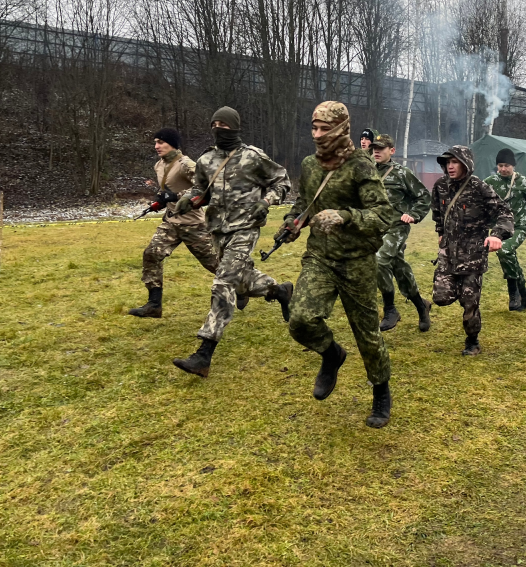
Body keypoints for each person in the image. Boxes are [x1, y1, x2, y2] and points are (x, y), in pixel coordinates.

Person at [278, 102, 397, 428]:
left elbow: (384, 215)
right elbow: (304, 204)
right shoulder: (309, 165)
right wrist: (292, 223)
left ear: (341, 129)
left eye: (324, 129)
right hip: (320, 256)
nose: (317, 135)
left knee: (367, 335)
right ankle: (331, 354)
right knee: (300, 320)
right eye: (314, 128)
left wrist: (344, 217)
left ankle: (381, 391)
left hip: (357, 261)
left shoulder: (361, 165)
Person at [169, 107, 293, 378]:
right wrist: (187, 198)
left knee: (223, 282)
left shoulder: (253, 157)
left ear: (235, 128)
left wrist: (266, 201)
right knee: (239, 279)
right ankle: (279, 291)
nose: (217, 129)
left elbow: (282, 181)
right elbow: (200, 189)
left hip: (245, 228)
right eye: (213, 124)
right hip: (217, 229)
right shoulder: (206, 160)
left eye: (223, 125)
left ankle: (204, 353)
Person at [128, 128, 220, 319]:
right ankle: (154, 305)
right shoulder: (158, 166)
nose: (156, 146)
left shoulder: (186, 164)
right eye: (155, 142)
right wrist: (161, 200)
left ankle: (257, 288)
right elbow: (167, 192)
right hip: (171, 222)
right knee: (152, 254)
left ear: (172, 144)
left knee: (215, 265)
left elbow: (205, 189)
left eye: (161, 142)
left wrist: (176, 196)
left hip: (192, 224)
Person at [431, 145, 514, 356]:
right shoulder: (440, 185)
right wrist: (440, 231)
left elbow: (505, 213)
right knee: (441, 297)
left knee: (470, 303)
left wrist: (496, 235)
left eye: (455, 162)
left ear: (465, 163)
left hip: (473, 255)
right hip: (448, 253)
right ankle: (461, 291)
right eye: (447, 162)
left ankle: (472, 341)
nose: (450, 166)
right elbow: (438, 212)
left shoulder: (480, 187)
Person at [369, 133, 433, 332]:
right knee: (399, 267)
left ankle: (390, 309)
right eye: (374, 148)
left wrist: (413, 214)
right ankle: (421, 306)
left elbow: (424, 196)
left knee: (379, 260)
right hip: (375, 229)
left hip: (396, 228)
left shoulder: (402, 173)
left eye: (381, 148)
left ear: (392, 151)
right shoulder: (368, 171)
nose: (377, 151)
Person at [483, 148, 526, 311]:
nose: (503, 169)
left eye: (507, 165)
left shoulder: (524, 183)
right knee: (508, 256)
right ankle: (524, 293)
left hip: (518, 227)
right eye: (500, 165)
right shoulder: (489, 182)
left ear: (513, 166)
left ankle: (514, 294)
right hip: (498, 229)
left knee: (504, 251)